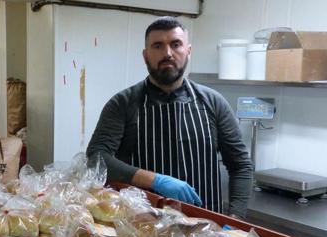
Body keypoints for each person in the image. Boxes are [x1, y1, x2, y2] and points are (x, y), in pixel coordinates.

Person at [86, 16, 253, 217]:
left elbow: (241, 166)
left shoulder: (213, 103)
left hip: (205, 229)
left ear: (188, 51)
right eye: (158, 46)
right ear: (145, 55)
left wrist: (235, 220)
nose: (167, 53)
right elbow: (97, 157)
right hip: (143, 227)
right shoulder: (123, 103)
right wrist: (156, 180)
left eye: (176, 44)